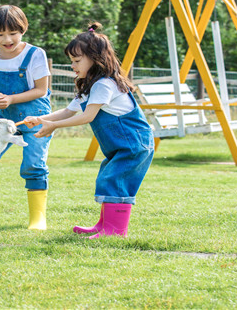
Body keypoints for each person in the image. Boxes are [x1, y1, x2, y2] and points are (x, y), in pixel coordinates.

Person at [22, 22, 153, 238]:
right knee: (108, 178)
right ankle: (104, 226)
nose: (72, 66)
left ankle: (115, 231)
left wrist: (53, 126)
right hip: (121, 146)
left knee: (114, 181)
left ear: (96, 58)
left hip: (133, 144)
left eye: (76, 61)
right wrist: (40, 119)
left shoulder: (104, 85)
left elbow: (87, 116)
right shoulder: (90, 85)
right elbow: (68, 111)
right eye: (71, 61)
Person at [0, 4, 52, 230]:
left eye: (13, 33)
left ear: (23, 30)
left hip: (36, 117)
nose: (7, 39)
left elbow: (41, 90)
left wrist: (12, 99)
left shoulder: (36, 54)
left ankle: (38, 219)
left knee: (34, 165)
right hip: (2, 121)